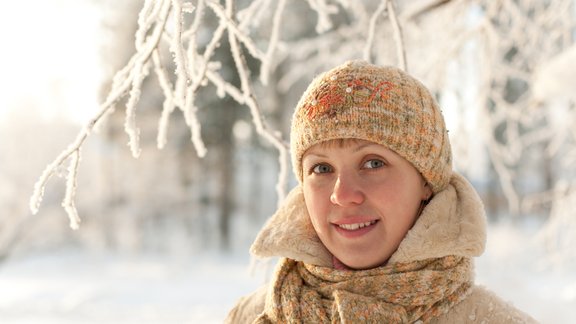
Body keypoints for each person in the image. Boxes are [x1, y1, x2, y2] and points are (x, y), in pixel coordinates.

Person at [226, 60, 536, 323]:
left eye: (373, 163)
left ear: (426, 181)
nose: (343, 194)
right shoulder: (251, 315)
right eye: (322, 169)